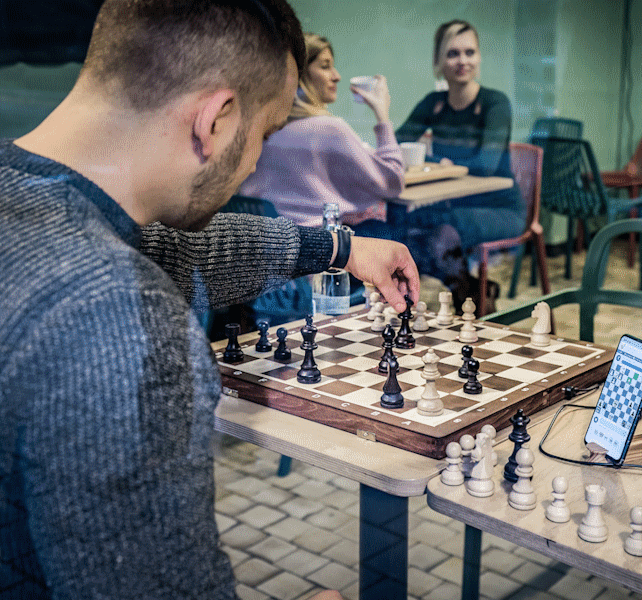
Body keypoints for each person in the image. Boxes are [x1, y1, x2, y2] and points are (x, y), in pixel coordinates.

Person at [0, 2, 417, 599]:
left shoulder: (31, 196)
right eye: (266, 136)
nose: (255, 160)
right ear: (216, 119)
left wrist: (339, 247)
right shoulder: (116, 317)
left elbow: (179, 248)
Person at [395, 19, 526, 285]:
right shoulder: (434, 103)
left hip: (502, 210)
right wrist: (435, 161)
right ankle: (469, 290)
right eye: (452, 53)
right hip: (455, 205)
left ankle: (467, 293)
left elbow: (485, 165)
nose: (462, 61)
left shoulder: (495, 103)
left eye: (469, 52)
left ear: (478, 58)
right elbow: (396, 144)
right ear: (439, 61)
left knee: (442, 230)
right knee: (402, 222)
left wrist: (438, 163)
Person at [238, 33, 404, 231]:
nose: (337, 76)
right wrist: (382, 114)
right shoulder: (330, 129)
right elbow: (392, 182)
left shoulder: (261, 130)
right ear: (299, 74)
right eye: (325, 66)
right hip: (326, 248)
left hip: (274, 247)